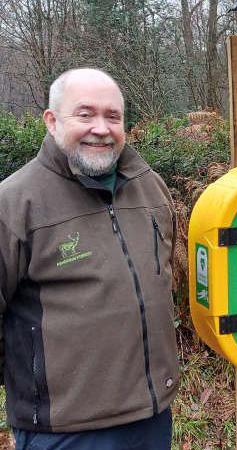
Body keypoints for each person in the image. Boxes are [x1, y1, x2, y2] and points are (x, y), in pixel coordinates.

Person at [0, 68, 179, 449]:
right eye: (85, 114)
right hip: (64, 431)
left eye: (112, 116)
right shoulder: (15, 203)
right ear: (51, 121)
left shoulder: (149, 186)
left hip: (151, 419)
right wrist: (34, 384)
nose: (101, 127)